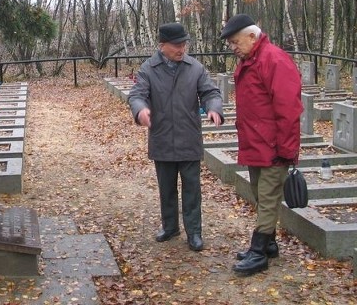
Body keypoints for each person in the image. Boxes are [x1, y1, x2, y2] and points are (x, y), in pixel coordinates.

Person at [129, 22, 224, 252]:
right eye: (176, 45)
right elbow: (137, 94)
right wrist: (141, 109)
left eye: (184, 44)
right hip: (162, 137)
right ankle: (170, 226)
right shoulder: (148, 69)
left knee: (192, 189)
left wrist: (214, 107)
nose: (182, 49)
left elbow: (210, 92)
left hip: (189, 137)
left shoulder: (195, 68)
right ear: (162, 46)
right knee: (167, 188)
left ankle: (194, 232)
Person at [220, 14, 303, 276]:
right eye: (231, 43)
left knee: (267, 198)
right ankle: (269, 245)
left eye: (235, 42)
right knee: (259, 193)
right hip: (256, 144)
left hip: (273, 147)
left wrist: (286, 151)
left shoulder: (274, 59)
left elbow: (288, 109)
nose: (233, 48)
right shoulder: (251, 60)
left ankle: (258, 253)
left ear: (252, 36)